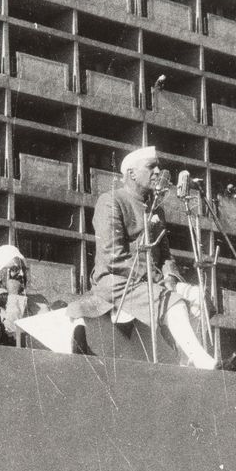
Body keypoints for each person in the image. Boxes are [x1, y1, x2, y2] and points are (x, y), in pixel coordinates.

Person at [83, 146, 216, 370]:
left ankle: (189, 359)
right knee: (171, 300)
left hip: (150, 283)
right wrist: (159, 283)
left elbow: (165, 256)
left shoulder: (156, 209)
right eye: (151, 166)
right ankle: (204, 363)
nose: (158, 171)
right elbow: (112, 256)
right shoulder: (111, 201)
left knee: (200, 298)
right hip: (116, 283)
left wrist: (172, 279)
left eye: (158, 166)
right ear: (131, 173)